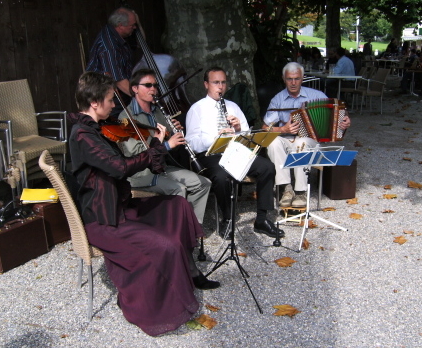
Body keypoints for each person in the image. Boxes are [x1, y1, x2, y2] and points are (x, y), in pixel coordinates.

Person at [68, 72, 219, 337]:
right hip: (106, 220)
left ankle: (188, 269)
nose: (114, 104)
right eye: (109, 99)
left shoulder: (98, 129)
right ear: (94, 103)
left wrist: (155, 145)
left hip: (122, 207)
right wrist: (157, 147)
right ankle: (162, 305)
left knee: (178, 207)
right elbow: (118, 168)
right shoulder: (83, 135)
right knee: (167, 245)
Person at [185, 67, 282, 240]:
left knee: (267, 167)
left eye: (223, 82)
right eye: (216, 82)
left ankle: (261, 218)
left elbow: (247, 134)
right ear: (206, 84)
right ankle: (227, 218)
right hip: (210, 155)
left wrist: (238, 129)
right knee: (222, 176)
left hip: (235, 152)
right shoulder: (196, 109)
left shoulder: (233, 106)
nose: (220, 87)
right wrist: (216, 137)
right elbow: (191, 142)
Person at [118, 68, 211, 224]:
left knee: (203, 183)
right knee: (178, 189)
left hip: (162, 167)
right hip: (142, 174)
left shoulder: (158, 112)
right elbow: (134, 152)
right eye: (148, 85)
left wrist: (174, 132)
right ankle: (176, 232)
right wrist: (168, 144)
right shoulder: (125, 117)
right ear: (135, 89)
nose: (153, 89)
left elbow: (166, 140)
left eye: (155, 85)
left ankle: (193, 227)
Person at [262, 62, 351, 207]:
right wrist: (283, 130)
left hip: (310, 140)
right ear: (284, 79)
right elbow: (265, 128)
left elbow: (336, 113)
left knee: (300, 143)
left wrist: (345, 120)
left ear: (302, 78)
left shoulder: (316, 95)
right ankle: (286, 188)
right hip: (286, 139)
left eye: (296, 78)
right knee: (273, 143)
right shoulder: (278, 99)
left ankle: (300, 191)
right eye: (289, 79)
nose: (293, 82)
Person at [86, 7, 139, 117]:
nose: (135, 28)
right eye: (132, 25)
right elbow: (118, 80)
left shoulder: (115, 32)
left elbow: (141, 39)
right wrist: (139, 96)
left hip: (119, 93)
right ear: (120, 26)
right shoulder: (109, 47)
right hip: (106, 96)